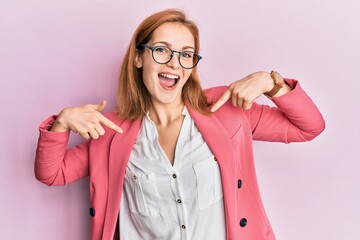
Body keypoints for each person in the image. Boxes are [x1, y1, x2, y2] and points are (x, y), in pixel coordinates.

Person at [35, 9, 325, 240]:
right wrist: (62, 123)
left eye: (186, 54)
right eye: (162, 50)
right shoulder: (110, 132)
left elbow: (308, 127)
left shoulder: (226, 110)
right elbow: (52, 173)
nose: (175, 63)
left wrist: (271, 83)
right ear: (139, 57)